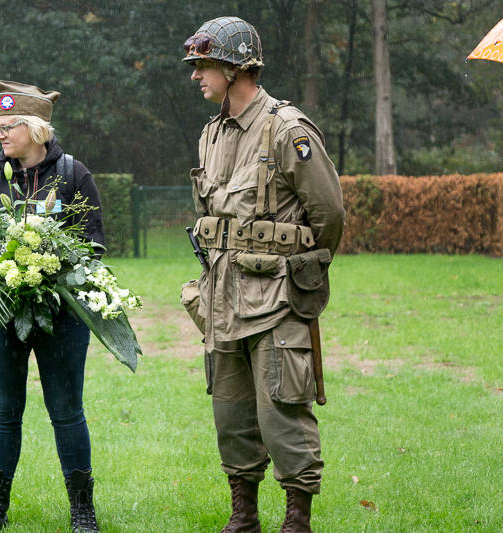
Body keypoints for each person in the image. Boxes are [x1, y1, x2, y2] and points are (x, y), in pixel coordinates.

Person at [179, 17, 345, 533]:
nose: (196, 76)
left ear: (234, 68)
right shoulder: (211, 134)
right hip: (221, 299)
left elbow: (330, 215)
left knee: (282, 412)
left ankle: (297, 520)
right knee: (231, 416)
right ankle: (243, 515)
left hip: (277, 300)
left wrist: (303, 274)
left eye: (203, 66)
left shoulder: (286, 130)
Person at [0, 79, 104, 533]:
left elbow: (94, 245)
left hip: (61, 316)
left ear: (36, 128)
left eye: (8, 126)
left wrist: (50, 271)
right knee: (3, 411)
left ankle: (82, 511)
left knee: (67, 410)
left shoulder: (74, 174)